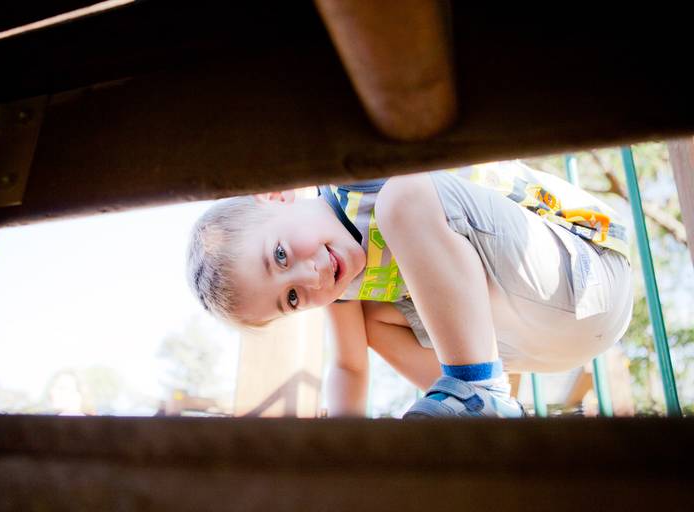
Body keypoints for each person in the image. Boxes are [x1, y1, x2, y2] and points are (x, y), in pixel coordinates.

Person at [186, 160, 633, 418]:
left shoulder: (352, 177)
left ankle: (475, 390)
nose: (309, 278)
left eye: (280, 255)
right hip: (549, 346)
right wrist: (345, 447)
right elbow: (349, 367)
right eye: (292, 299)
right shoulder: (345, 292)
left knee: (402, 199)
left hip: (583, 269)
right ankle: (479, 406)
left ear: (278, 196)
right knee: (370, 321)